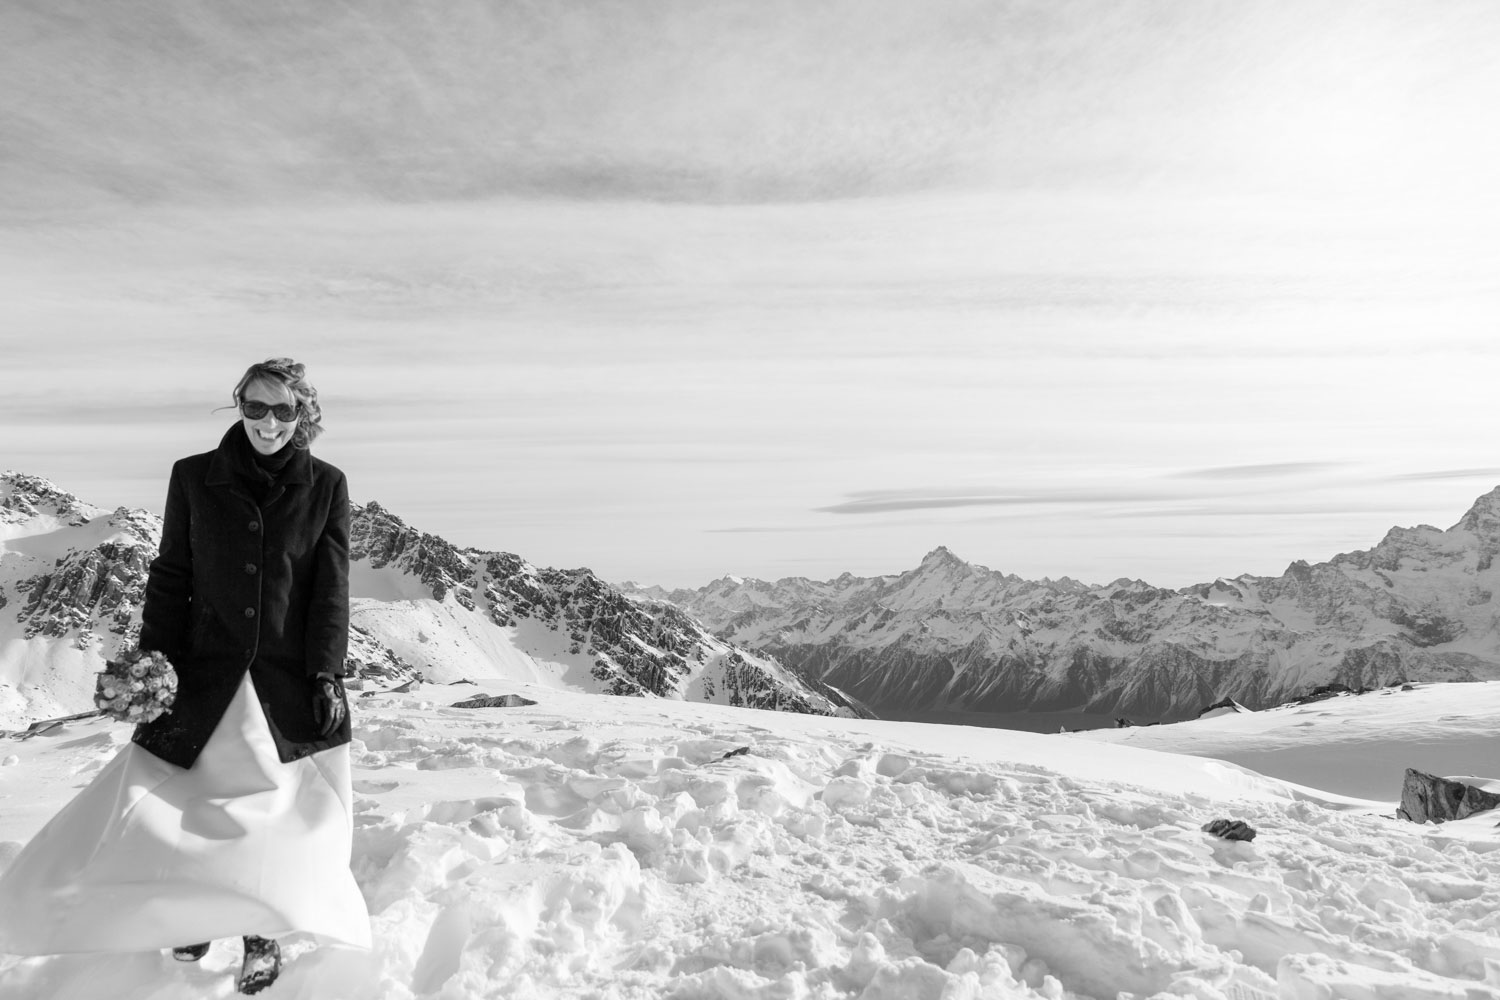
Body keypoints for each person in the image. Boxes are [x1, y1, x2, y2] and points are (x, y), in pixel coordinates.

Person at [0, 358, 371, 994]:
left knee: (270, 813)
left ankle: (259, 932)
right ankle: (189, 914)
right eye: (254, 408)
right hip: (205, 672)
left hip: (280, 680)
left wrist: (325, 674)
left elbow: (329, 590)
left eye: (283, 411)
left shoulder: (328, 486)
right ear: (239, 407)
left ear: (303, 414)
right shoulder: (193, 476)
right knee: (186, 807)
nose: (267, 423)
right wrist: (154, 663)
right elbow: (173, 575)